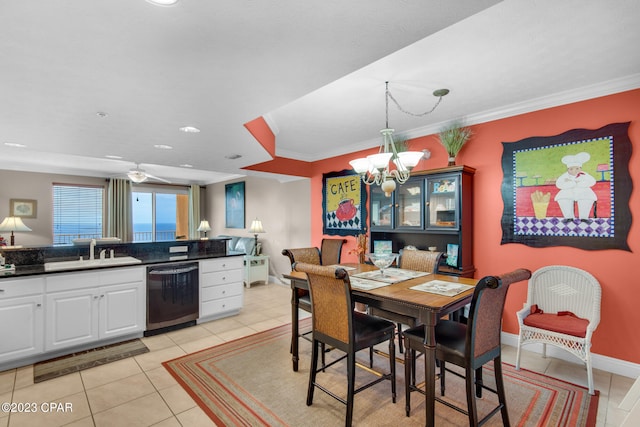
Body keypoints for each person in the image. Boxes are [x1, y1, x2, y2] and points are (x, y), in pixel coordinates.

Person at [554, 152, 597, 220]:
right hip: (568, 192)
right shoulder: (565, 176)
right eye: (571, 169)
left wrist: (581, 183)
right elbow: (558, 184)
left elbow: (592, 181)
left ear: (580, 168)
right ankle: (569, 217)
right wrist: (571, 184)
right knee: (563, 199)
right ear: (568, 169)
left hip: (583, 191)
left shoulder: (584, 174)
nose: (574, 171)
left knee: (586, 199)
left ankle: (584, 218)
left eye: (577, 168)